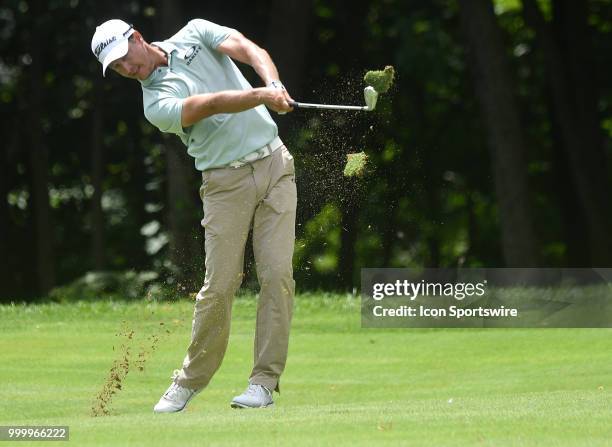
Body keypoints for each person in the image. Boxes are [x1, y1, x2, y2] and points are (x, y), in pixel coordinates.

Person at [91, 18, 297, 412]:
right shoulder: (155, 103)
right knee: (219, 285)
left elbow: (249, 48)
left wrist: (273, 84)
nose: (126, 70)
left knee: (276, 275)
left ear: (136, 38)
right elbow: (211, 104)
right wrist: (261, 96)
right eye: (117, 69)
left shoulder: (195, 32)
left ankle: (263, 384)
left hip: (275, 165)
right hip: (225, 183)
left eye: (124, 59)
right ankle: (189, 381)